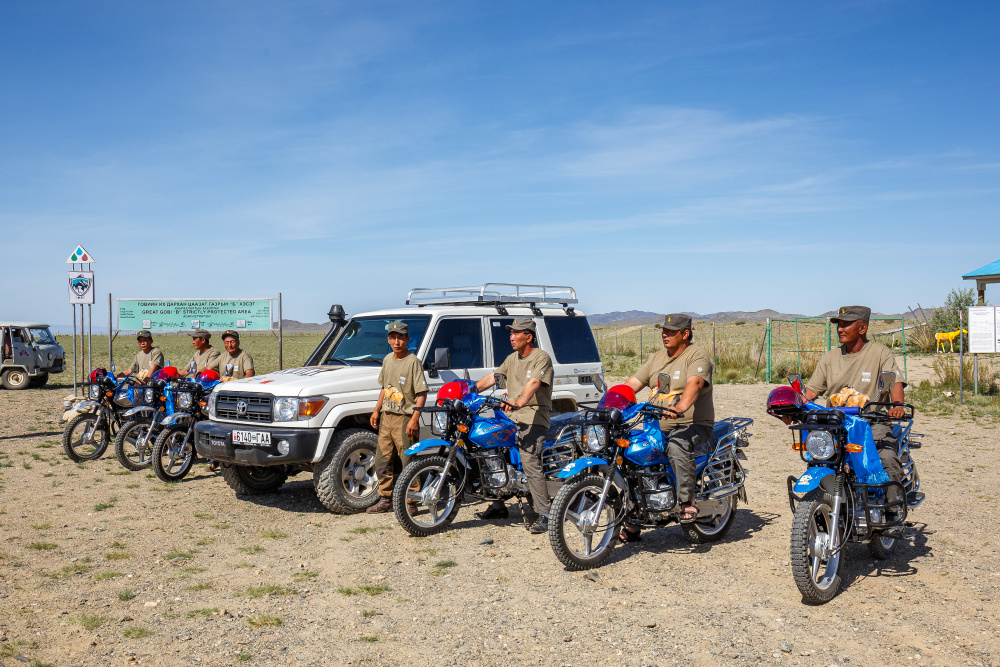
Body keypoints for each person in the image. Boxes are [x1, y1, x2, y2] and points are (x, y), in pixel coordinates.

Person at [621, 313, 714, 541]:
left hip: (693, 424)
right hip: (656, 426)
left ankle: (686, 501)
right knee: (630, 450)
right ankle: (634, 516)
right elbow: (632, 384)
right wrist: (612, 401)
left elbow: (695, 383)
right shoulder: (656, 358)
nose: (665, 334)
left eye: (672, 331)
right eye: (663, 330)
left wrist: (680, 408)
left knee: (677, 446)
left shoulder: (697, 356)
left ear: (686, 334)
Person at [804, 305, 907, 507]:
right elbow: (810, 393)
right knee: (817, 458)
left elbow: (893, 382)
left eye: (845, 325)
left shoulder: (880, 353)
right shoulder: (830, 358)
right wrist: (792, 405)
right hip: (834, 425)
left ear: (862, 328)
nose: (840, 329)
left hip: (871, 423)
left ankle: (892, 509)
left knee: (887, 459)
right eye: (838, 325)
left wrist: (897, 405)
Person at [474, 318, 554, 534]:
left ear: (528, 336)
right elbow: (494, 377)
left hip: (533, 416)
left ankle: (545, 513)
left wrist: (519, 401)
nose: (511, 336)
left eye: (516, 333)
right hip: (511, 415)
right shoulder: (512, 359)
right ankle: (499, 504)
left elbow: (534, 382)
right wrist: (471, 390)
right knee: (490, 449)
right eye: (510, 333)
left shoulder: (541, 358)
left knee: (528, 459)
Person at [367, 321, 428, 514]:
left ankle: (411, 501)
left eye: (401, 337)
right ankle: (386, 499)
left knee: (408, 460)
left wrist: (414, 419)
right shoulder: (387, 360)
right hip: (387, 417)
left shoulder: (413, 362)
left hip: (404, 418)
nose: (397, 341)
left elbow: (422, 394)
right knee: (382, 460)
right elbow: (384, 388)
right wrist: (377, 410)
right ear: (388, 339)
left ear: (408, 339)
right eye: (393, 337)